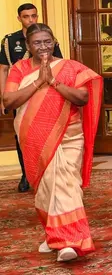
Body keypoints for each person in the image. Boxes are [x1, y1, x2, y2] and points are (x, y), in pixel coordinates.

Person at [2, 23, 102, 262]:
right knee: (45, 190)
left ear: (54, 41)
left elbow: (83, 97)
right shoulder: (19, 69)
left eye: (47, 41)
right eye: (37, 42)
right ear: (28, 46)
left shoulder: (70, 67)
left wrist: (54, 82)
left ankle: (69, 241)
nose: (43, 46)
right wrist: (39, 81)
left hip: (69, 135)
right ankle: (53, 233)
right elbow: (9, 100)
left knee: (66, 184)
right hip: (34, 137)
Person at [0, 3, 63, 193]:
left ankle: (49, 171)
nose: (31, 20)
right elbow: (3, 69)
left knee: (48, 132)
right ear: (19, 18)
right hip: (21, 95)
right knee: (23, 135)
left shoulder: (48, 38)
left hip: (47, 92)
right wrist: (3, 98)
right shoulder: (10, 41)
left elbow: (60, 65)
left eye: (33, 16)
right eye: (26, 16)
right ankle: (26, 174)